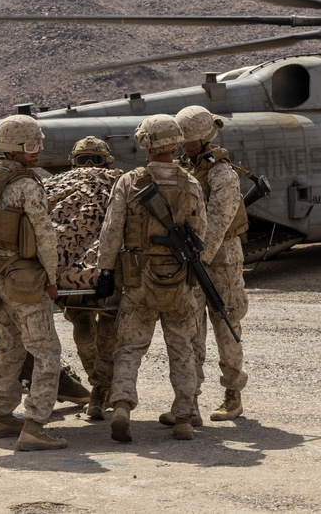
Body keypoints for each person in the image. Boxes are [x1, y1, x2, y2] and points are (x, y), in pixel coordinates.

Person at [94, 114, 207, 442]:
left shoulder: (130, 182)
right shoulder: (191, 183)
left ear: (145, 145)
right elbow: (200, 232)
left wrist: (105, 271)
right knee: (182, 347)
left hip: (138, 280)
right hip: (178, 280)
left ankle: (122, 407)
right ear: (176, 143)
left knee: (129, 347)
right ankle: (184, 416)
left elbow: (112, 230)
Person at [0, 114, 67, 451]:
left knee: (8, 347)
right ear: (17, 148)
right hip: (22, 280)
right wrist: (52, 276)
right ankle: (34, 425)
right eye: (32, 145)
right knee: (47, 351)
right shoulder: (26, 184)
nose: (37, 151)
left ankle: (2, 415)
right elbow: (45, 235)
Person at [168, 105, 249, 424]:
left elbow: (217, 222)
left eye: (189, 142)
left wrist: (197, 258)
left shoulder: (222, 173)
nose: (184, 148)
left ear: (204, 139)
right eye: (182, 143)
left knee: (226, 323)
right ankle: (190, 400)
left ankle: (233, 393)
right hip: (191, 256)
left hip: (221, 259)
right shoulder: (181, 168)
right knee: (190, 330)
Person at [47, 136, 122, 421]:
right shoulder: (119, 182)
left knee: (84, 329)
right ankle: (101, 390)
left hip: (69, 278)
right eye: (84, 162)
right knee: (105, 332)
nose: (89, 167)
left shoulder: (55, 186)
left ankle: (99, 390)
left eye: (94, 162)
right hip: (107, 272)